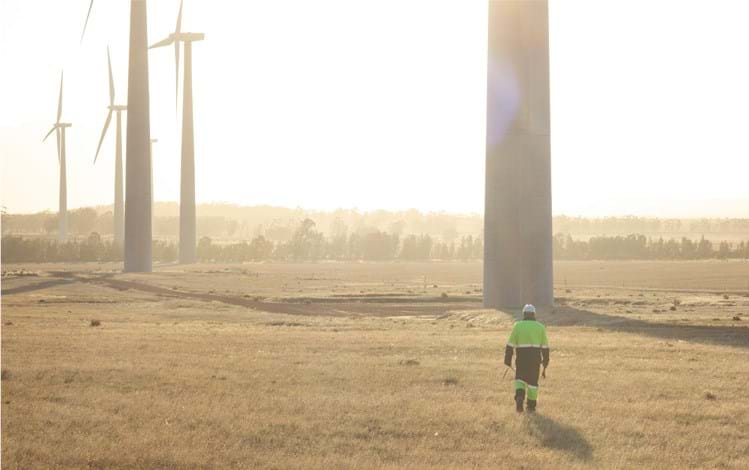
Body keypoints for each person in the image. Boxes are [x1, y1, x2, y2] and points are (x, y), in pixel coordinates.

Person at [504, 304, 550, 413]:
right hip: (535, 360)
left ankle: (520, 397)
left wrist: (507, 359)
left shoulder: (518, 326)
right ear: (534, 314)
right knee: (533, 383)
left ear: (524, 314)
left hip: (521, 359)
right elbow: (545, 347)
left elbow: (510, 345)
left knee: (520, 379)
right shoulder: (540, 327)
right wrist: (545, 362)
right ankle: (531, 406)